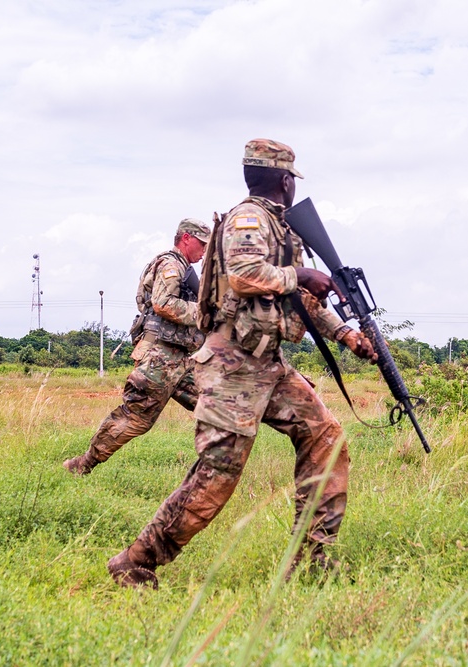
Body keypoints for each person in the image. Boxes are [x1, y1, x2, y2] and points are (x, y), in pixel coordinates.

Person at [106, 139, 377, 588]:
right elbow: (244, 275)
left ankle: (312, 562)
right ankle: (135, 562)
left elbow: (302, 300)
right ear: (286, 181)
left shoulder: (281, 228)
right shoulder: (248, 220)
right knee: (217, 475)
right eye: (292, 181)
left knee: (326, 438)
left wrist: (347, 334)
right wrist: (299, 274)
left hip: (269, 363)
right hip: (233, 366)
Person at [63, 219, 211, 475]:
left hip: (183, 358)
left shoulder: (184, 268)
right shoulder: (171, 264)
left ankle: (211, 471)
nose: (204, 250)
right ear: (186, 238)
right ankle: (82, 464)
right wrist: (203, 311)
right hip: (160, 358)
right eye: (202, 243)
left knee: (216, 405)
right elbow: (163, 303)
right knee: (136, 418)